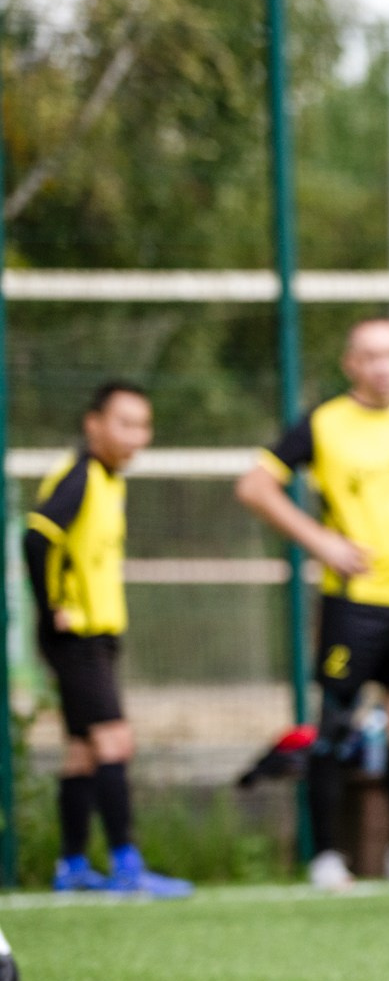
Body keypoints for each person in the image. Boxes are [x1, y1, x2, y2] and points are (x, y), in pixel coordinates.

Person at [236, 318, 389, 889]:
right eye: (370, 356)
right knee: (337, 722)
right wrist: (320, 541)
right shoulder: (325, 423)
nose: (382, 365)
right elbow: (254, 486)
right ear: (350, 364)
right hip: (352, 601)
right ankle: (327, 856)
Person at [26, 381, 190, 897]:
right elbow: (35, 537)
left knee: (82, 752)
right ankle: (126, 864)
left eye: (143, 425)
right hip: (79, 638)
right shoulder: (79, 477)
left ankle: (72, 865)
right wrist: (53, 608)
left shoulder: (107, 479)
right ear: (93, 424)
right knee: (115, 741)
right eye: (125, 423)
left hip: (98, 636)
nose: (136, 436)